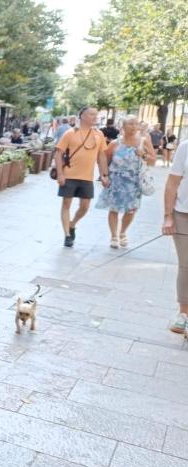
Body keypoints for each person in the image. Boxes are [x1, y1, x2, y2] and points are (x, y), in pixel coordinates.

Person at [96, 116, 156, 248]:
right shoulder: (115, 143)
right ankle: (114, 236)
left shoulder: (143, 141)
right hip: (116, 182)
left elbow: (153, 161)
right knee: (113, 209)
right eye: (130, 124)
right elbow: (104, 159)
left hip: (134, 183)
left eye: (135, 124)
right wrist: (104, 176)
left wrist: (143, 155)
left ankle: (123, 232)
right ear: (123, 126)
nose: (133, 127)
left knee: (131, 210)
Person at [54, 107, 110, 247]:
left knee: (85, 206)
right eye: (91, 114)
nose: (95, 117)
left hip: (87, 177)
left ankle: (72, 224)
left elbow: (101, 156)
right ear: (82, 116)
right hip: (69, 175)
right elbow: (58, 153)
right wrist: (60, 174)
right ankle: (67, 235)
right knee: (66, 204)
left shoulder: (99, 134)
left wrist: (104, 175)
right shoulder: (70, 133)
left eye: (96, 114)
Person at [164, 140, 188, 333]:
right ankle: (184, 314)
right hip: (183, 214)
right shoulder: (185, 147)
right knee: (186, 265)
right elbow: (172, 183)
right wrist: (168, 216)